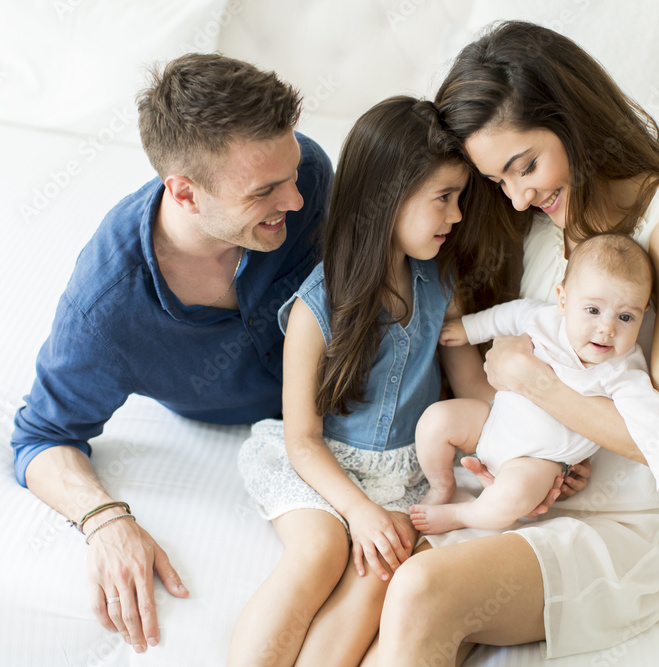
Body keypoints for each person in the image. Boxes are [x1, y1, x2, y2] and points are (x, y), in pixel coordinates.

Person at [373, 21, 659, 664]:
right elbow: (494, 371)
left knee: (421, 590)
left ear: (572, 118)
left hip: (622, 525)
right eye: (499, 181)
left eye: (526, 167)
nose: (518, 197)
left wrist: (534, 384)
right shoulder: (547, 224)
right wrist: (503, 448)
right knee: (373, 585)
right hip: (526, 486)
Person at [8, 53, 334, 654]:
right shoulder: (107, 310)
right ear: (184, 192)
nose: (294, 199)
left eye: (291, 175)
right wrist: (106, 519)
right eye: (265, 191)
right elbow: (41, 438)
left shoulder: (305, 170)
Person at [228, 95, 502, 666]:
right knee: (324, 551)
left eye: (460, 198)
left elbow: (473, 387)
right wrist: (356, 511)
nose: (455, 216)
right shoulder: (317, 306)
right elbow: (302, 438)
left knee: (381, 570)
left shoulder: (439, 286)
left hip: (402, 475)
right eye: (443, 199)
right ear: (388, 199)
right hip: (321, 465)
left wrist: (532, 444)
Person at [411, 232, 659, 539]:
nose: (606, 329)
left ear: (643, 315)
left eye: (625, 317)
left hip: (538, 461)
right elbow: (508, 315)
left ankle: (460, 514)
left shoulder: (625, 373)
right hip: (491, 420)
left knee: (511, 499)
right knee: (435, 421)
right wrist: (467, 328)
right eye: (593, 310)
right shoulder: (545, 320)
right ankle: (441, 486)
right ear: (563, 300)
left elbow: (657, 430)